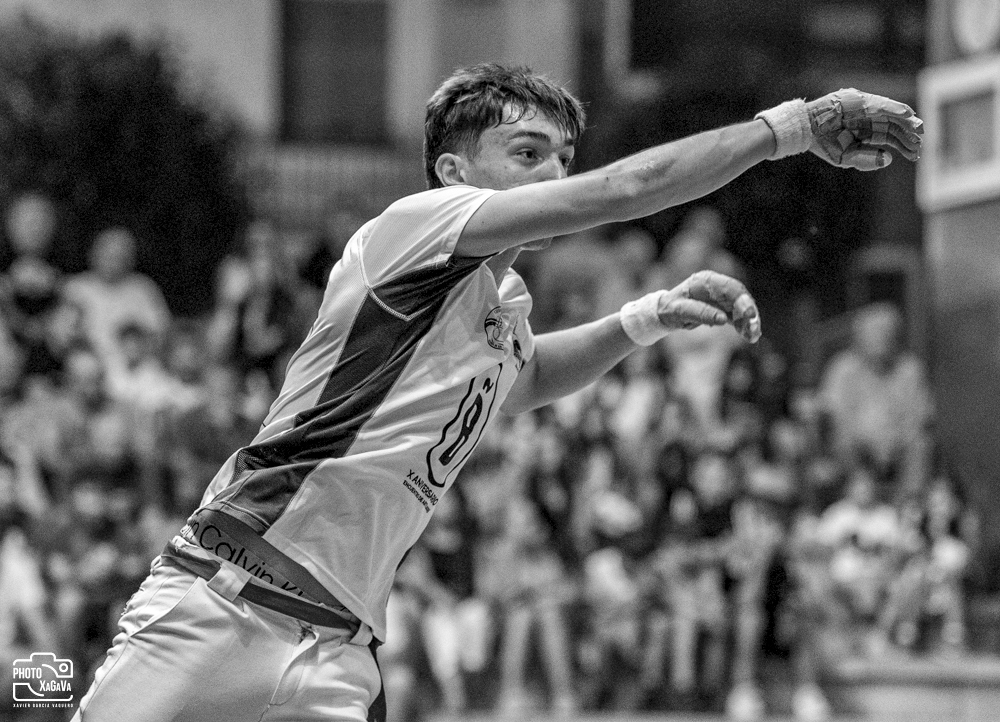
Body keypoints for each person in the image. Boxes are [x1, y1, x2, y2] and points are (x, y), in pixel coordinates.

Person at [72, 64, 921, 722]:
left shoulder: (503, 306)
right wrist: (789, 128)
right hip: (225, 595)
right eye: (527, 154)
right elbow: (625, 191)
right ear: (453, 171)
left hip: (337, 647)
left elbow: (525, 380)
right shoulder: (414, 228)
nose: (553, 171)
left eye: (561, 156)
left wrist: (645, 317)